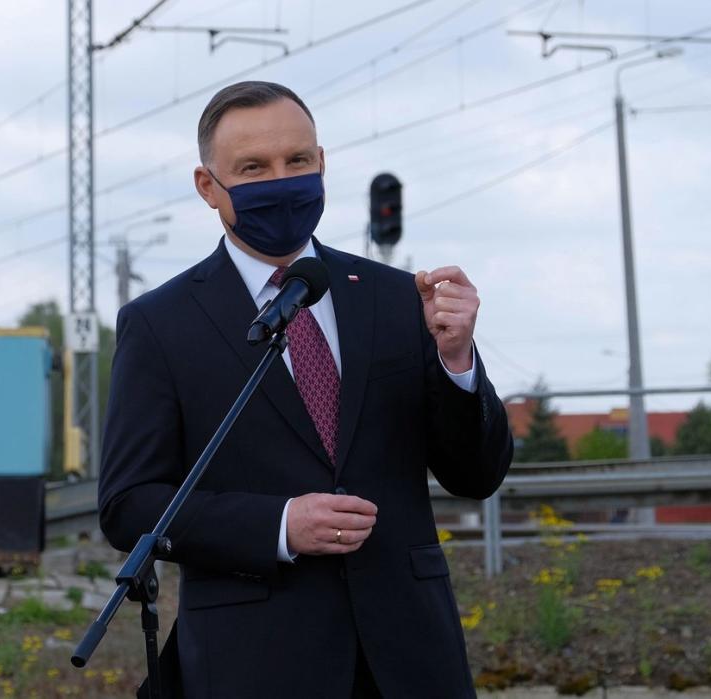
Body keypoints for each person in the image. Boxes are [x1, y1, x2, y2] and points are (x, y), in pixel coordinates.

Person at [99, 80, 514, 699]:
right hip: (252, 662)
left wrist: (457, 362)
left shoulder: (397, 298)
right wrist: (279, 524)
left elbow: (475, 475)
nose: (280, 181)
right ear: (208, 186)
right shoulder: (161, 325)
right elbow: (129, 503)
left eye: (296, 161)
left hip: (409, 658)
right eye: (253, 168)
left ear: (322, 164)